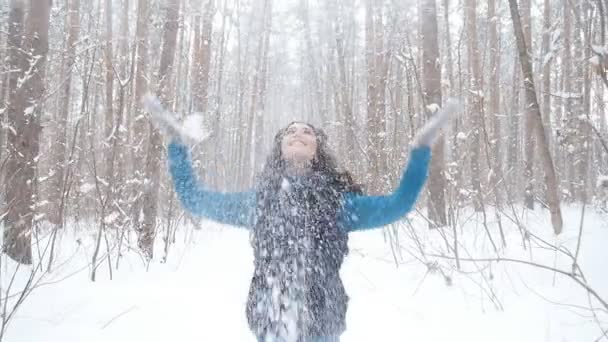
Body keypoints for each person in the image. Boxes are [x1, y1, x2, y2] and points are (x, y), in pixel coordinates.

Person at [146, 94, 453, 342]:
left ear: (317, 149)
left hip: (324, 325)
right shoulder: (259, 203)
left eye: (307, 131)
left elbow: (398, 205)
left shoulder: (340, 204)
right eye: (291, 131)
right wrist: (177, 146)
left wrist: (420, 149)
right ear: (280, 148)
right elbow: (195, 200)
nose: (298, 134)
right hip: (269, 324)